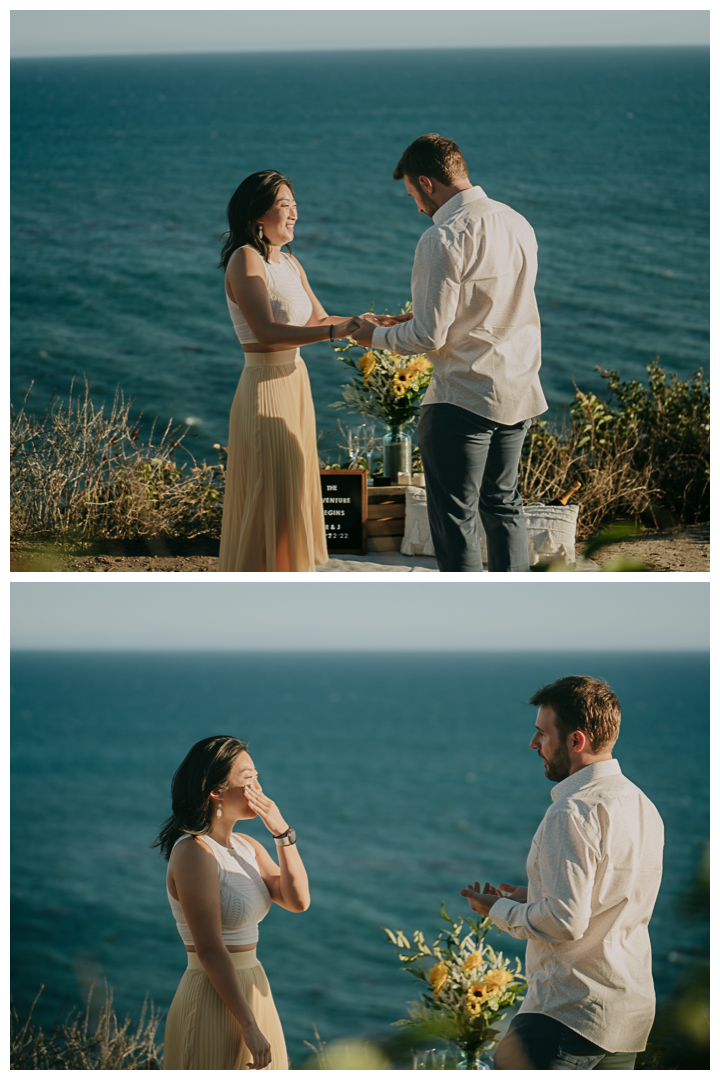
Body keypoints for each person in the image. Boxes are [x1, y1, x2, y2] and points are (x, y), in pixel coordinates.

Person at [351, 134, 548, 573]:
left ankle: (466, 620)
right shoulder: (516, 221)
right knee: (504, 505)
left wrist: (372, 337)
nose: (417, 207)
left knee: (454, 517)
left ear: (427, 182)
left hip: (463, 396)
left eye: (412, 195)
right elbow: (496, 304)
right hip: (517, 389)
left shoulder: (441, 237)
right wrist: (414, 319)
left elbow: (428, 338)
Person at [460, 676, 664, 1070]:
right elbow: (607, 897)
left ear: (576, 741)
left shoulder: (572, 812)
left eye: (542, 734)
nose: (533, 744)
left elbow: (564, 922)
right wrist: (532, 893)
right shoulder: (643, 807)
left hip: (564, 1014)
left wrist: (495, 910)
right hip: (626, 1022)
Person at [218, 171, 361, 572]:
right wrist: (335, 332)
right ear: (257, 214)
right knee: (274, 494)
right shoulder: (245, 258)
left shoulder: (291, 264)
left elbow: (322, 317)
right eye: (285, 205)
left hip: (295, 383)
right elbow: (264, 332)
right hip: (265, 387)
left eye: (295, 204)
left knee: (295, 490)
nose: (295, 213)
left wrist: (377, 322)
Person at [156, 735, 310, 1070]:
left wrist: (282, 832)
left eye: (257, 776)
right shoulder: (194, 852)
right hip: (215, 996)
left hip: (254, 985)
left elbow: (298, 901)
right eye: (248, 778)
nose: (258, 787)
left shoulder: (247, 846)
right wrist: (248, 1024)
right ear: (216, 791)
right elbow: (210, 949)